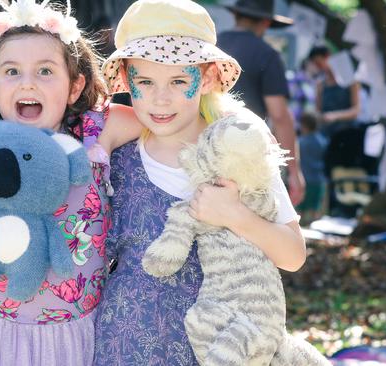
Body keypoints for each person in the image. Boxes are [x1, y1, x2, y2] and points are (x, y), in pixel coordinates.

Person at [0, 1, 141, 364]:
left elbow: (169, 122)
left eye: (45, 71)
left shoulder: (98, 131)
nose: (27, 82)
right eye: (11, 71)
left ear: (75, 86)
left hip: (74, 341)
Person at [94, 1, 309, 364]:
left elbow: (293, 255)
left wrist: (235, 214)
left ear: (206, 78)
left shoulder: (239, 152)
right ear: (127, 81)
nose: (161, 98)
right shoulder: (117, 155)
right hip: (122, 345)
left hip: (219, 348)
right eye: (145, 82)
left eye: (179, 81)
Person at [217, 0, 305, 205]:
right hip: (246, 157)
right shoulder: (267, 54)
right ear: (266, 23)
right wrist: (294, 171)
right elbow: (280, 116)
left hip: (201, 148)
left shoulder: (212, 48)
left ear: (236, 15)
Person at [308, 45, 361, 137]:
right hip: (326, 135)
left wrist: (335, 116)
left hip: (348, 133)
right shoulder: (320, 85)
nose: (319, 68)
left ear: (328, 57)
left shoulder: (351, 81)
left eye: (319, 63)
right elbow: (318, 111)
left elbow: (356, 111)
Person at [297, 111, 327, 225]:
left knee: (300, 210)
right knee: (316, 210)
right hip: (319, 180)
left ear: (304, 125)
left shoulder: (300, 142)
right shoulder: (323, 141)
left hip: (304, 180)